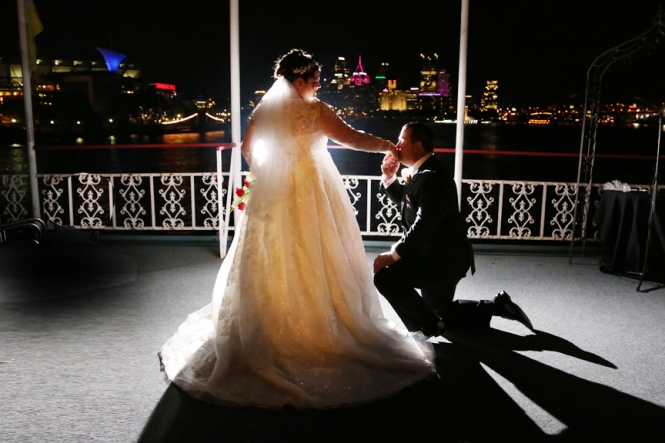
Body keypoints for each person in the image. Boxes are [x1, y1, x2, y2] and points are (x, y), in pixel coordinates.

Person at [159, 50, 435, 409]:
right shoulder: (314, 111)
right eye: (315, 79)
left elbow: (248, 149)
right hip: (312, 194)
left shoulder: (263, 111)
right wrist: (386, 145)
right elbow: (351, 138)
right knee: (318, 254)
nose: (319, 85)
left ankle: (265, 328)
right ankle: (323, 330)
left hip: (271, 196)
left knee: (270, 258)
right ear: (300, 79)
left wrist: (271, 172)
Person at [373, 122, 533, 336]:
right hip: (435, 254)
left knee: (386, 276)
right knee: (442, 312)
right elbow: (407, 201)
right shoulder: (422, 171)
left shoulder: (432, 176)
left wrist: (394, 255)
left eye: (402, 140)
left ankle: (425, 329)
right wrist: (389, 177)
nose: (397, 145)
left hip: (442, 260)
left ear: (418, 145)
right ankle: (497, 306)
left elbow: (425, 222)